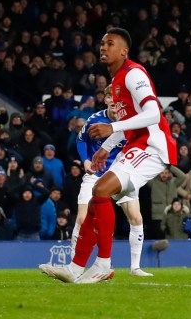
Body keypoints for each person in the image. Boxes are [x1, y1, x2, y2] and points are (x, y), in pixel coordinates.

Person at [40, 27, 176, 283]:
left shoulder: (133, 74)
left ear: (124, 51)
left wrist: (111, 128)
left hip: (153, 145)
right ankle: (75, 267)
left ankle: (103, 263)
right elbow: (130, 122)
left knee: (100, 190)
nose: (103, 48)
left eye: (110, 44)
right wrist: (105, 148)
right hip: (135, 144)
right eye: (102, 44)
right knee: (95, 201)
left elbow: (153, 114)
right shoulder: (116, 83)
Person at [68, 84, 152, 277]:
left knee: (136, 217)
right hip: (97, 174)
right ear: (105, 100)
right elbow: (81, 140)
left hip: (121, 174)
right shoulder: (95, 120)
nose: (114, 102)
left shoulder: (131, 121)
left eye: (118, 98)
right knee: (82, 217)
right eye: (110, 98)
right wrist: (86, 160)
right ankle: (74, 266)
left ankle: (135, 268)